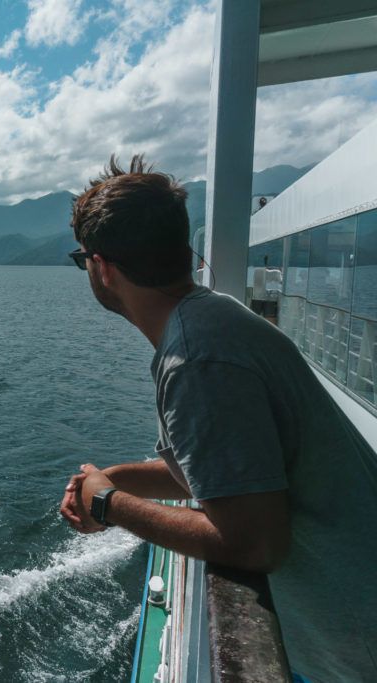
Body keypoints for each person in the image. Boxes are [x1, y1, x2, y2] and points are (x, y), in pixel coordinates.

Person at [59, 155, 377, 681]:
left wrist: (108, 503)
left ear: (102, 267)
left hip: (355, 646)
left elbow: (255, 543)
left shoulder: (197, 361)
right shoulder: (214, 318)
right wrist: (114, 477)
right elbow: (231, 469)